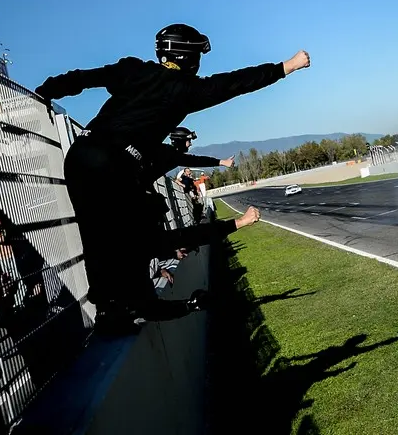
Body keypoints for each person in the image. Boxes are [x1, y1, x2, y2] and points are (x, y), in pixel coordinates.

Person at [34, 23, 310, 334]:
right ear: (191, 57)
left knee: (94, 234)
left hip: (80, 154)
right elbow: (235, 84)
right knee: (133, 235)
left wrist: (47, 90)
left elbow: (83, 78)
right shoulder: (186, 90)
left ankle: (108, 309)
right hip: (115, 164)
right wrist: (288, 66)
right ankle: (129, 305)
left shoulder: (132, 69)